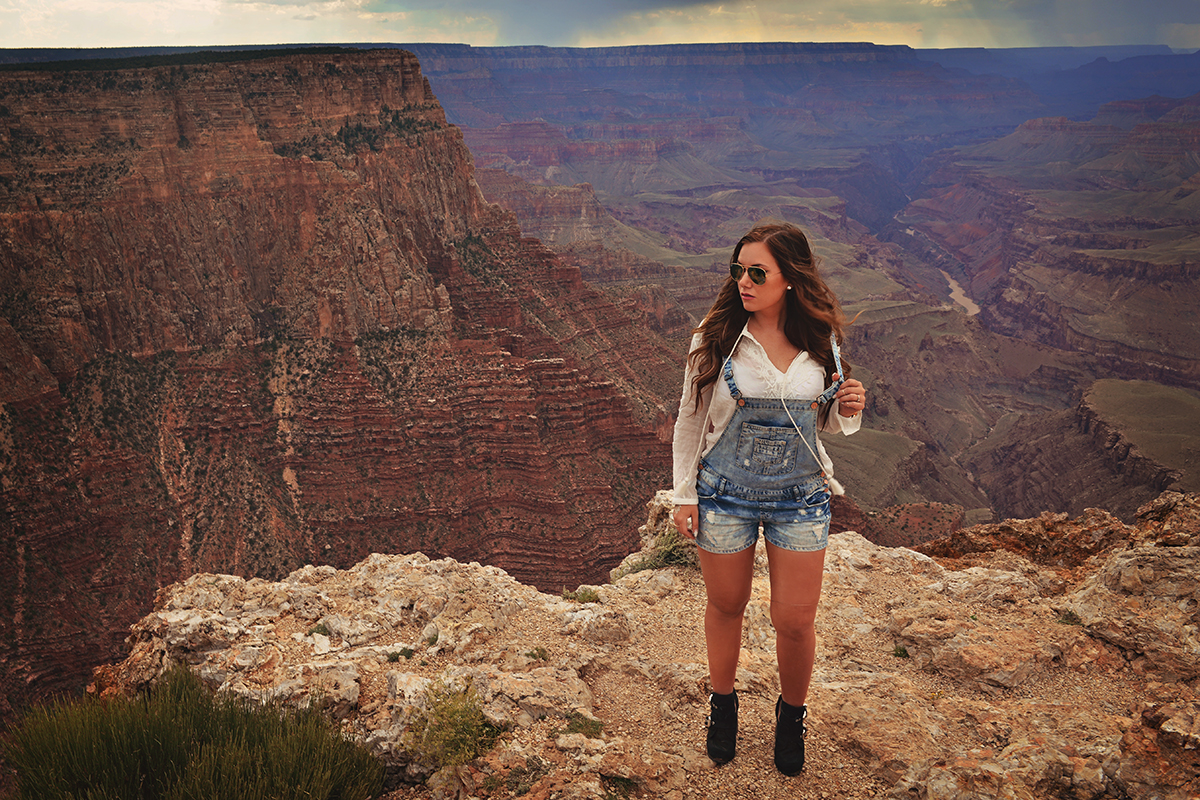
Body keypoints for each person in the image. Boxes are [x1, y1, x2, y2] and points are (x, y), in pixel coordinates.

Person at [671, 222, 866, 776]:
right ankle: (723, 706)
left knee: (795, 620)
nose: (744, 282)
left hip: (800, 499)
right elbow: (689, 422)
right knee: (727, 605)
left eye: (758, 272)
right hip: (724, 496)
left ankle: (792, 716)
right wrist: (684, 495)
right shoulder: (714, 337)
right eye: (738, 270)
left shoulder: (821, 340)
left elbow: (820, 420)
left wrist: (847, 407)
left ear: (789, 280)